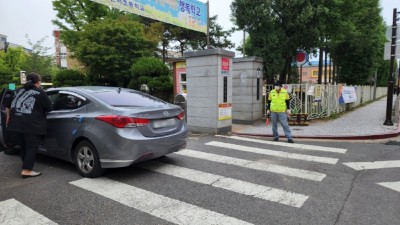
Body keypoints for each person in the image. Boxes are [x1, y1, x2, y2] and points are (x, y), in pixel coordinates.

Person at [6, 72, 52, 178]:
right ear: (38, 82)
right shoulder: (40, 92)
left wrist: (8, 117)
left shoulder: (17, 91)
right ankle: (27, 170)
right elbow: (49, 108)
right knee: (32, 146)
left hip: (15, 124)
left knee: (24, 146)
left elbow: (7, 106)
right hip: (32, 125)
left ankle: (25, 166)